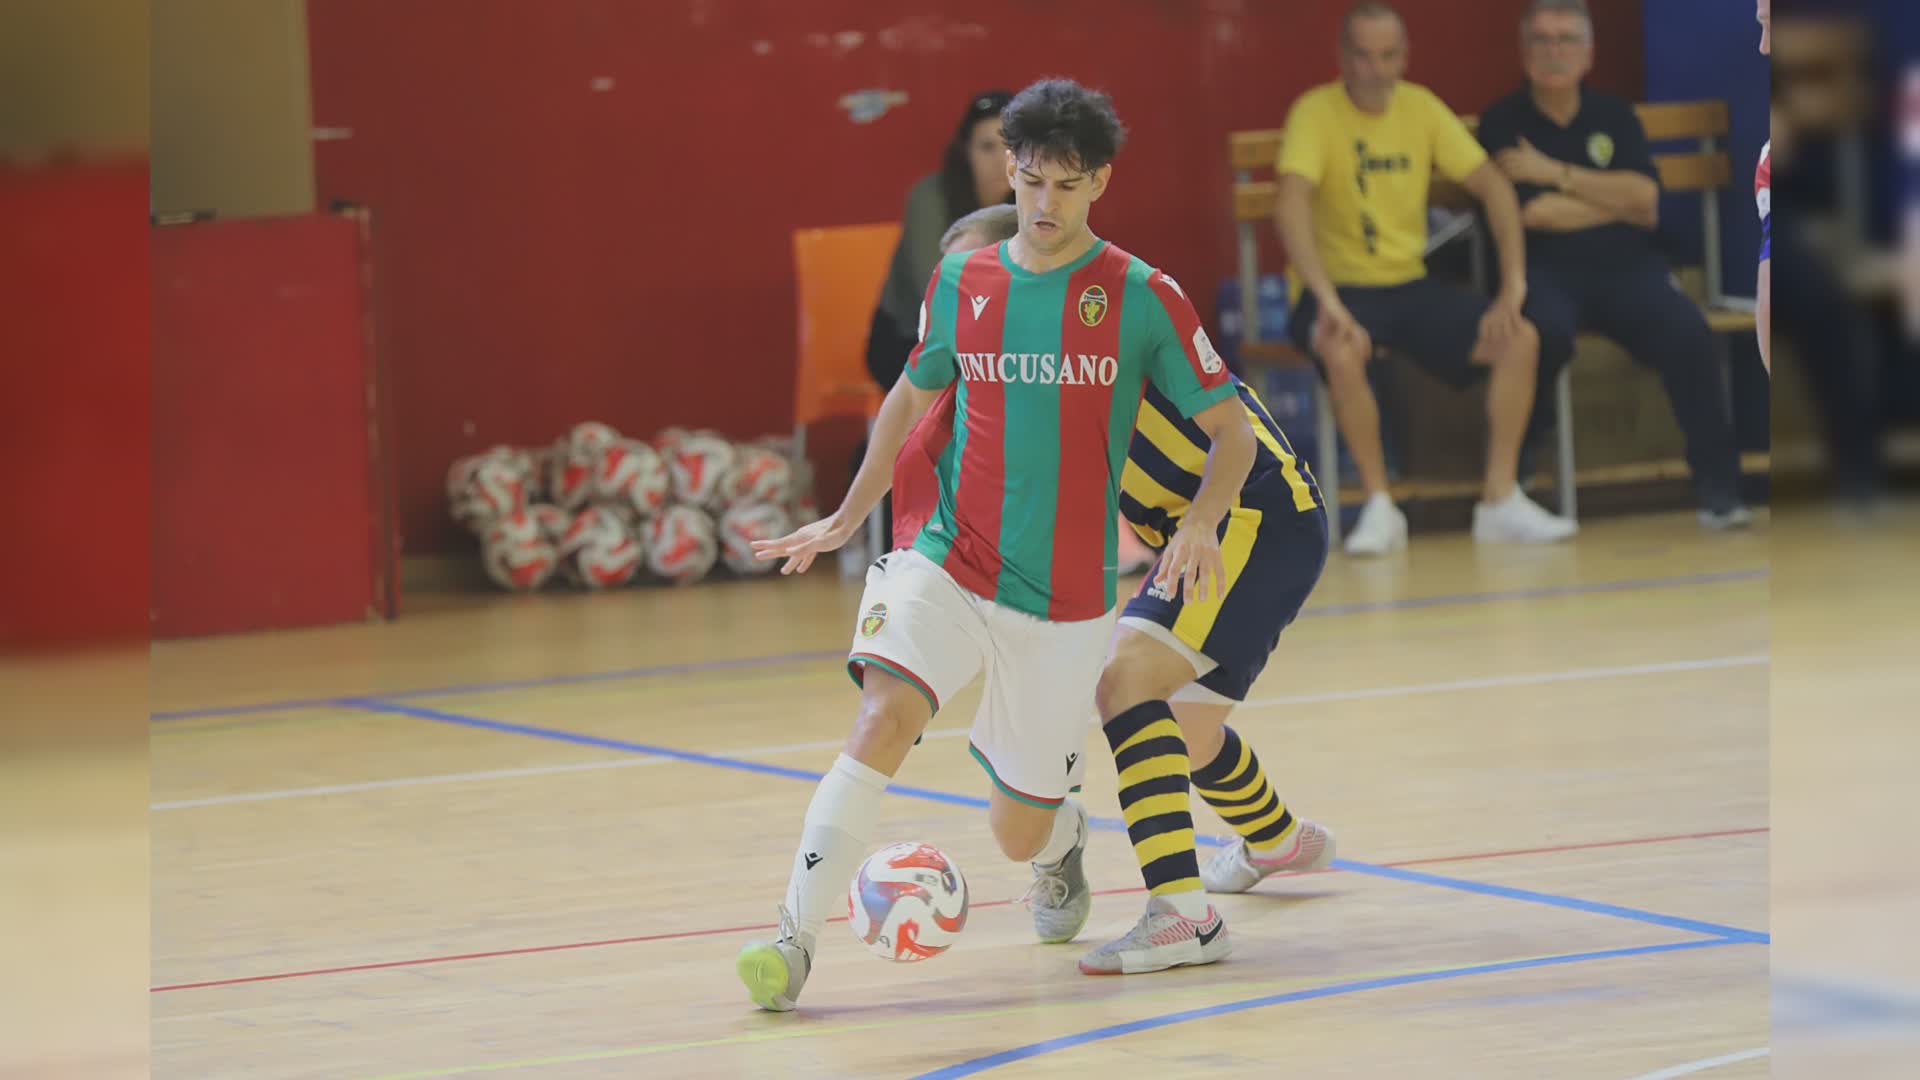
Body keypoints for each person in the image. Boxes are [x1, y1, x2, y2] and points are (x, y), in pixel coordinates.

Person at [736, 78, 1259, 1011]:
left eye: (1064, 186)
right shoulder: (962, 278)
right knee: (883, 717)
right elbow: (909, 391)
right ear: (1009, 175)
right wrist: (852, 512)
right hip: (947, 556)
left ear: (1098, 182)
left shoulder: (1145, 296)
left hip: (1061, 599)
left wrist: (1200, 519)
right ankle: (791, 939)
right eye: (1028, 183)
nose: (1043, 205)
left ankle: (1058, 843)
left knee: (1016, 833)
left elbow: (1233, 432)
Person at [905, 206, 1340, 976]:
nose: (980, 295)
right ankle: (1276, 840)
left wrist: (1199, 523)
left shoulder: (1100, 319)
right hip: (1222, 524)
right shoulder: (1004, 364)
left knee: (1128, 682)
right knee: (1186, 732)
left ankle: (1182, 918)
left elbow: (1228, 432)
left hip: (1248, 511)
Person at [1277, 2, 1577, 556]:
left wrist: (1513, 286)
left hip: (1407, 285)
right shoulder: (1314, 113)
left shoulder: (1420, 108)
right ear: (1343, 57)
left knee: (1522, 338)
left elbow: (1495, 188)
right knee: (1339, 347)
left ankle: (1499, 500)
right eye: (1364, 56)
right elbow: (1291, 205)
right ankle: (1379, 505)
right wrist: (1325, 300)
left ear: (1405, 57)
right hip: (1336, 289)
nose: (1376, 69)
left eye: (1389, 55)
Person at [1478, 0, 1752, 528]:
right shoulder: (1502, 121)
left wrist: (1554, 171)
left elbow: (1646, 202)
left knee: (1688, 332)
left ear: (1589, 54)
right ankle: (1522, 478)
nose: (1554, 52)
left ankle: (1720, 488)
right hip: (1544, 270)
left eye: (1566, 40)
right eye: (1542, 40)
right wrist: (1608, 199)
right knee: (1542, 333)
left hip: (1627, 268)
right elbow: (1532, 213)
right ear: (1523, 52)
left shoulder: (1614, 116)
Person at [865, 90, 1016, 390]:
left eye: (1011, 147)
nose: (1002, 161)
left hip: (997, 339)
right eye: (987, 147)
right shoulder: (929, 197)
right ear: (965, 152)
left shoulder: (1035, 198)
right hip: (910, 337)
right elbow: (934, 289)